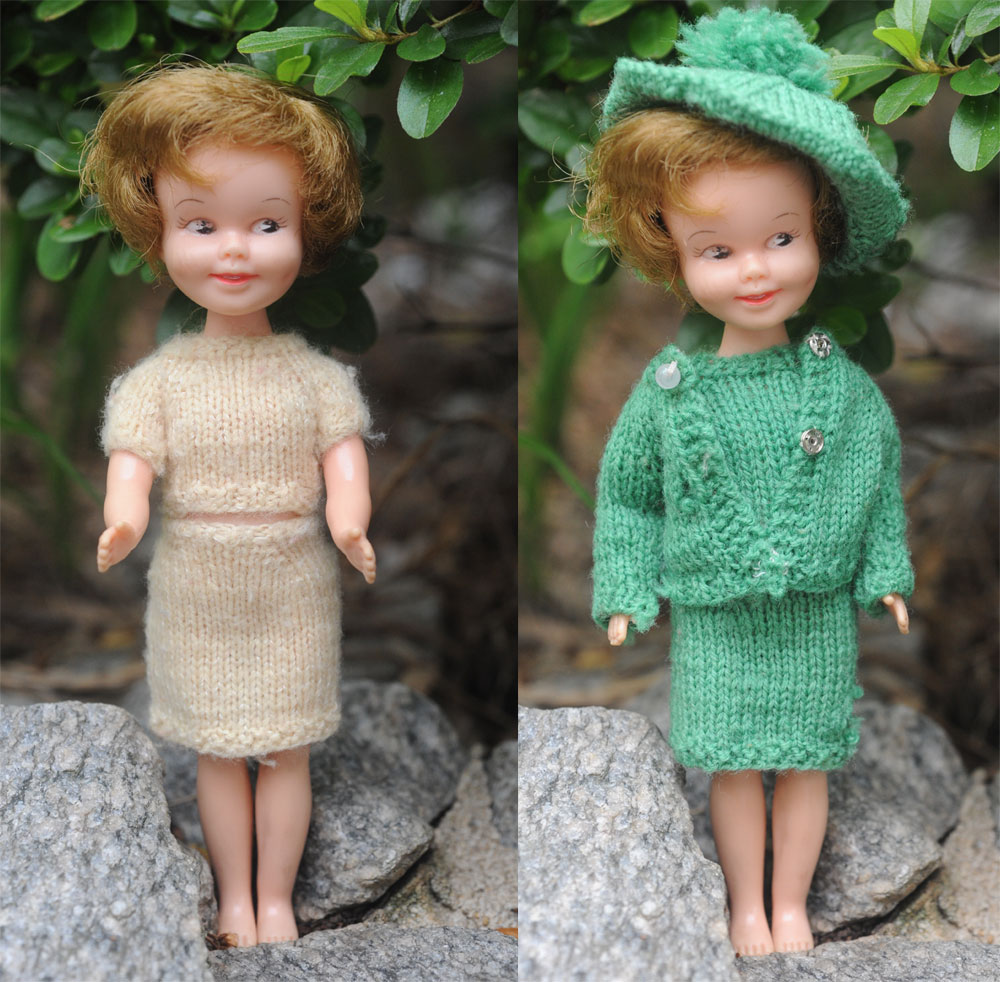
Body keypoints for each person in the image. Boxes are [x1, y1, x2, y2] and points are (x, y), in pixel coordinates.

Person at [587, 8, 913, 956]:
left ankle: (791, 908)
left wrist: (885, 571)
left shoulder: (840, 387)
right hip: (717, 620)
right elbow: (628, 492)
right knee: (731, 766)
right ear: (676, 253)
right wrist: (624, 584)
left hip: (814, 615)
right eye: (717, 250)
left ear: (820, 232)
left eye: (780, 238)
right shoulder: (671, 388)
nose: (755, 272)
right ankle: (744, 909)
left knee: (806, 762)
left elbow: (877, 478)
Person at [83, 64, 375, 947]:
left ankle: (274, 900)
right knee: (217, 749)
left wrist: (349, 522)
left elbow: (345, 464)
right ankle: (233, 902)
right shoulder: (159, 380)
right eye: (201, 225)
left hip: (291, 583)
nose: (234, 251)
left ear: (306, 230)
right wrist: (125, 517)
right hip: (197, 584)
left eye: (266, 224)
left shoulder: (315, 376)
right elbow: (132, 465)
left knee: (286, 748)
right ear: (160, 231)